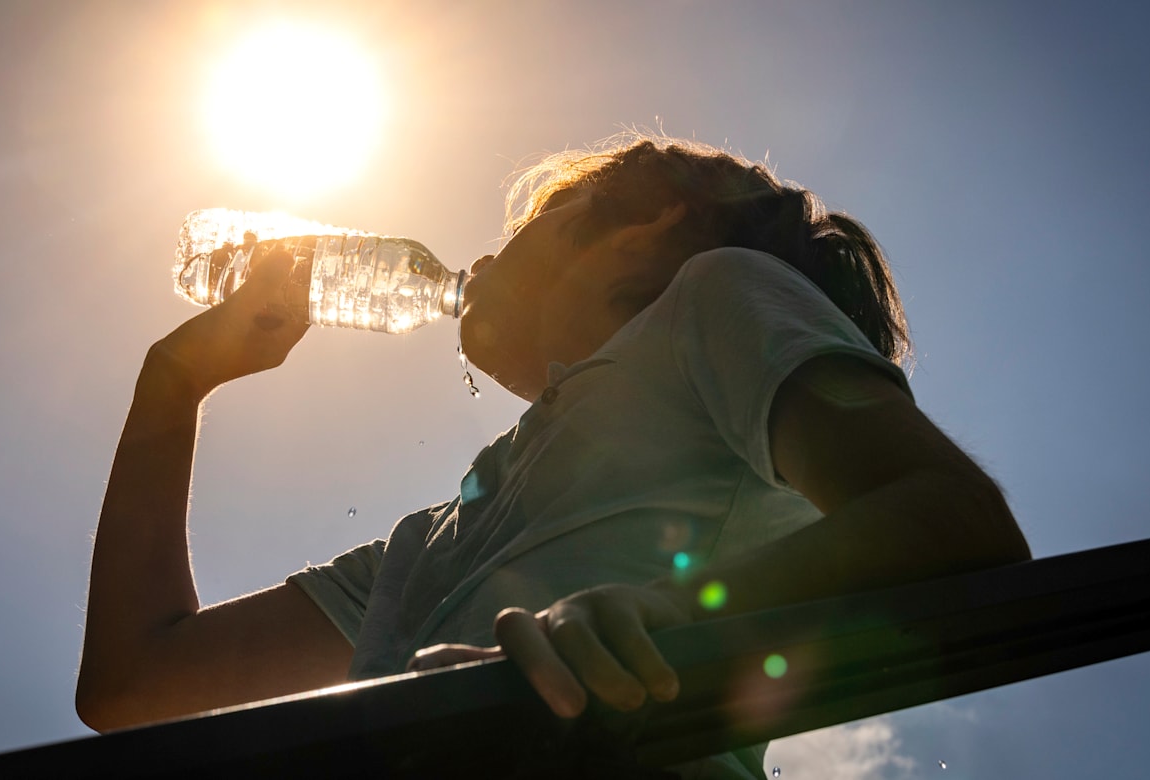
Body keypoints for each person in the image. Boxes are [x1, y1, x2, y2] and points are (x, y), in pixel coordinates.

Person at [75, 135, 1031, 778]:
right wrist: (172, 384)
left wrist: (662, 620)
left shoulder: (718, 294)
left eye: (533, 220)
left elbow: (953, 519)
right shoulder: (438, 539)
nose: (488, 257)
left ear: (646, 220)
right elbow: (133, 685)